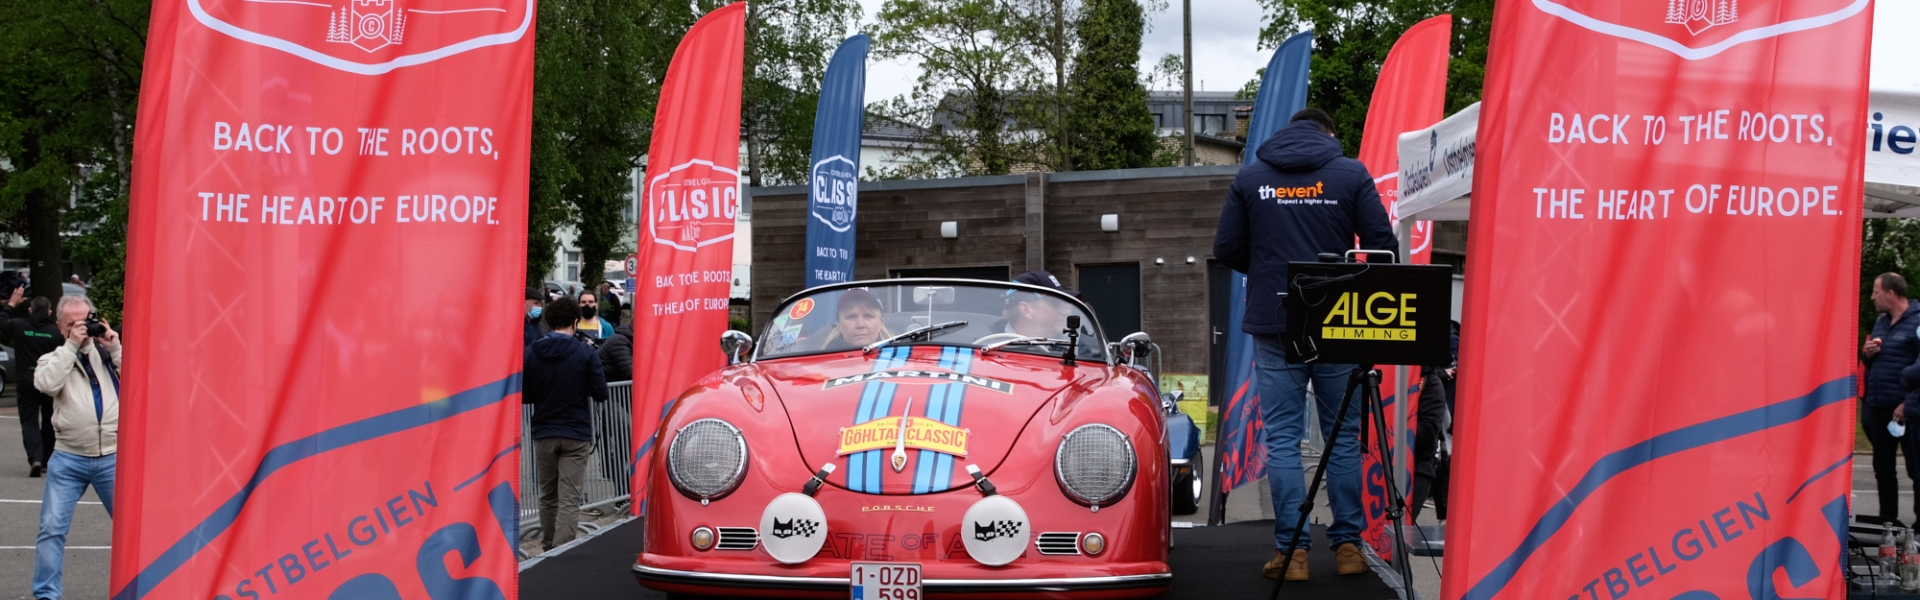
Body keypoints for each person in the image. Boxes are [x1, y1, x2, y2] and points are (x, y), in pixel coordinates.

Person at [1212, 107, 1398, 581]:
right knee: (1341, 436)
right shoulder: (1350, 173)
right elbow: (1382, 244)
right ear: (1329, 133)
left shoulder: (1252, 177)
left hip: (1275, 318)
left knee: (1282, 438)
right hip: (1338, 319)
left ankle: (1291, 554)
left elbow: (1228, 247)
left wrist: (1270, 263)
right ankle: (1348, 548)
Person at [32, 296, 121, 600]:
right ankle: (46, 595)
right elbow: (46, 384)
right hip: (69, 457)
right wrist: (71, 346)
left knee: (133, 530)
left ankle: (147, 587)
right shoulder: (53, 357)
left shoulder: (108, 354)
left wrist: (115, 347)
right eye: (72, 324)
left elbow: (143, 381)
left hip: (112, 455)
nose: (81, 329)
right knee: (51, 531)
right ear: (60, 326)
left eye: (86, 320)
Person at [523, 297, 609, 551]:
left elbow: (526, 395)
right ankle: (561, 552)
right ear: (575, 321)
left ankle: (548, 547)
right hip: (576, 432)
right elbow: (601, 393)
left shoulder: (531, 353)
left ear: (548, 323)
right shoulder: (585, 352)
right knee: (570, 497)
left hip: (544, 431)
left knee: (548, 496)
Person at [1863, 272, 1920, 525]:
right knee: (1883, 468)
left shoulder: (1917, 321)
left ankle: (1919, 524)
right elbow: (1868, 361)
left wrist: (1907, 402)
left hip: (1906, 409)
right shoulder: (1881, 322)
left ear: (1890, 293)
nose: (1872, 297)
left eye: (1876, 292)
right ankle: (1888, 520)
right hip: (1879, 405)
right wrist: (1867, 353)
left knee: (1915, 468)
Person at [3, 292, 60, 477]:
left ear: (30, 310)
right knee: (49, 420)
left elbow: (1, 321)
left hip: (26, 380)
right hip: (47, 381)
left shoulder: (20, 326)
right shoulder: (55, 332)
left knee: (29, 422)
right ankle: (45, 460)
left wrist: (11, 304)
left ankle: (34, 458)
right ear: (49, 312)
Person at [1002, 271, 1077, 338]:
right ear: (1026, 310)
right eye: (1055, 303)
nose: (1067, 312)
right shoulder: (991, 345)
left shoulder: (1078, 345)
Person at [818, 288, 892, 350]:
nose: (860, 324)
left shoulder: (900, 358)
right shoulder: (822, 362)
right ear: (839, 325)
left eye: (868, 316)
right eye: (851, 316)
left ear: (880, 323)